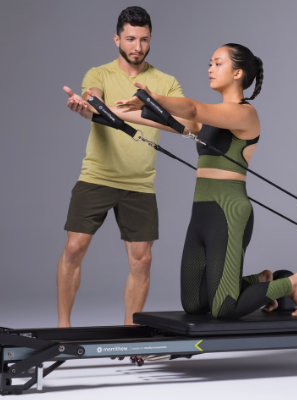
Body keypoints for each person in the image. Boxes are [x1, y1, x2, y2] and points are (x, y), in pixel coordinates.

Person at [71, 44, 297, 319]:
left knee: (223, 307)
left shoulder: (245, 114)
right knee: (194, 302)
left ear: (238, 73)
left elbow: (193, 110)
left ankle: (293, 283)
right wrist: (93, 111)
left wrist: (154, 97)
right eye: (210, 63)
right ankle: (262, 280)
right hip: (202, 212)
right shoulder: (210, 120)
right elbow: (145, 118)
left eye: (218, 63)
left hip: (229, 211)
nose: (210, 68)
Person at [59, 6, 184, 327]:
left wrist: (148, 102)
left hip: (139, 184)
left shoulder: (164, 82)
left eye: (143, 39)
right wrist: (84, 105)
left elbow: (184, 124)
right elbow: (93, 101)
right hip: (97, 177)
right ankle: (62, 327)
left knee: (142, 262)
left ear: (150, 39)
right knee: (74, 249)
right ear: (117, 39)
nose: (137, 47)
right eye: (130, 39)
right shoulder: (99, 73)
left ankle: (131, 331)